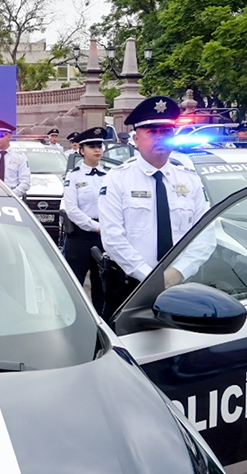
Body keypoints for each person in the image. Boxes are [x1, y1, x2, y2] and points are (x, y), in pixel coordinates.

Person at [98, 96, 211, 319]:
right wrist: (151, 279)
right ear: (135, 139)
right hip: (130, 288)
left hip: (179, 287)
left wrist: (177, 273)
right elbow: (112, 238)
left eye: (166, 132)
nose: (160, 137)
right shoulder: (117, 179)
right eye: (152, 132)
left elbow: (206, 236)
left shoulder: (190, 180)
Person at [62, 126, 112, 314]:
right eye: (91, 146)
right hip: (80, 237)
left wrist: (105, 228)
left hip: (104, 236)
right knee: (75, 283)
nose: (97, 150)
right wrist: (95, 227)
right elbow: (72, 209)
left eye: (99, 146)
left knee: (103, 286)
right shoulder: (73, 176)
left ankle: (103, 325)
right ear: (81, 151)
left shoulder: (109, 175)